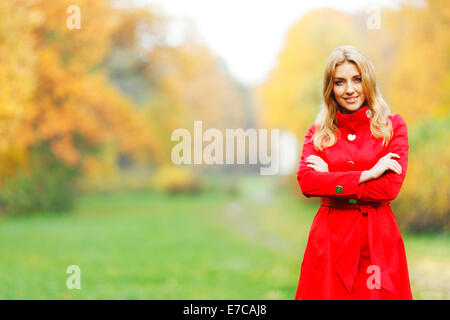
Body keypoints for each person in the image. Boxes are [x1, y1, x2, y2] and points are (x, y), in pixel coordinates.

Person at [294, 45, 413, 300]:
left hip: (377, 239)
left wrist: (331, 178)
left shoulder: (393, 127)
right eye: (340, 82)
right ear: (330, 88)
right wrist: (367, 174)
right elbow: (307, 182)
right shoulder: (318, 133)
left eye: (357, 79)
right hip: (329, 241)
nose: (350, 89)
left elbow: (388, 188)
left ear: (367, 81)